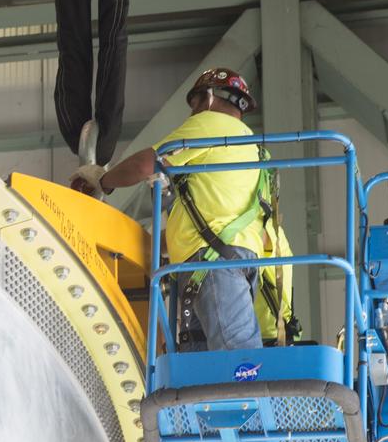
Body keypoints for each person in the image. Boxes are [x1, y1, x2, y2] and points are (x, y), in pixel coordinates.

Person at [71, 68, 296, 351]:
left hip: (214, 265)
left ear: (210, 98)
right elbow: (216, 216)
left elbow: (145, 164)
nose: (193, 115)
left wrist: (102, 180)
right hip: (234, 260)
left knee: (239, 363)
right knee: (210, 369)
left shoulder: (210, 125)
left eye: (195, 106)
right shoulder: (252, 149)